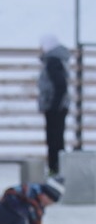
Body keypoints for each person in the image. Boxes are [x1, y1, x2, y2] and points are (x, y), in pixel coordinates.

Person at [38, 34, 71, 176]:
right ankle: (56, 166)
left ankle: (55, 167)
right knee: (56, 137)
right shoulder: (56, 60)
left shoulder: (53, 62)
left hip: (54, 107)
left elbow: (60, 85)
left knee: (54, 138)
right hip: (56, 106)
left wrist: (53, 105)